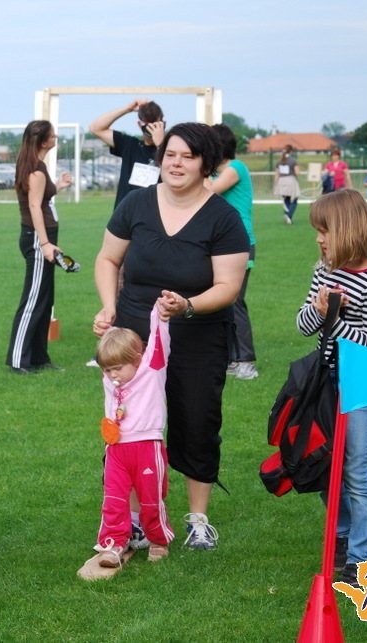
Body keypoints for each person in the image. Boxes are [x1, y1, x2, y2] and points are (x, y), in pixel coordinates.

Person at [93, 122, 250, 550]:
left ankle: (198, 520)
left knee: (197, 422)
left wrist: (187, 305)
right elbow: (108, 259)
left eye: (187, 156)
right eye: (171, 155)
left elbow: (228, 286)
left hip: (198, 334)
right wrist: (109, 306)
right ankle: (132, 521)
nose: (176, 164)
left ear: (206, 164)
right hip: (134, 335)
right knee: (128, 424)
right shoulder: (136, 204)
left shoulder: (223, 218)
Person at [295, 188, 367, 587]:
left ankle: (360, 558)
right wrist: (319, 310)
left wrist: (335, 319)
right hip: (326, 384)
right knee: (323, 464)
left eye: (325, 231)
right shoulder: (325, 270)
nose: (319, 239)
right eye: (317, 231)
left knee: (357, 472)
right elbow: (302, 325)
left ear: (348, 230)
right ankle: (342, 533)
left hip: (364, 387)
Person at [92, 295, 176, 567]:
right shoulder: (110, 380)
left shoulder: (151, 371)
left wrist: (159, 315)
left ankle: (158, 540)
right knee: (113, 499)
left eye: (117, 369)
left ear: (137, 359)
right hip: (116, 449)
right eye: (107, 370)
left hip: (147, 446)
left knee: (151, 499)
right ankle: (113, 543)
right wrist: (105, 326)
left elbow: (159, 341)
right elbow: (109, 349)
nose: (112, 375)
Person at [6, 120, 72, 374]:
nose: (56, 138)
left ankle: (39, 358)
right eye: (53, 135)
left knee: (45, 300)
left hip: (43, 238)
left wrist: (59, 186)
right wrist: (44, 244)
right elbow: (34, 206)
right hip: (37, 239)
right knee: (33, 300)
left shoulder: (36, 166)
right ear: (44, 141)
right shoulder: (35, 169)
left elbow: (41, 198)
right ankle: (18, 360)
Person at [210, 123, 258, 381]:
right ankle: (231, 357)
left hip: (240, 244)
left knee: (234, 301)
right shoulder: (218, 172)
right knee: (222, 303)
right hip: (222, 244)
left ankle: (246, 360)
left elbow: (210, 190)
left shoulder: (235, 168)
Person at [89, 99, 165, 208]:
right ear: (140, 124)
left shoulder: (169, 150)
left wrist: (160, 145)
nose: (152, 129)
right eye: (148, 125)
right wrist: (127, 109)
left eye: (155, 124)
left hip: (153, 212)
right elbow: (95, 128)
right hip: (125, 213)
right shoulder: (130, 145)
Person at [274, 144, 301, 224]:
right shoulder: (293, 161)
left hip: (281, 181)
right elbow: (297, 172)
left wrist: (275, 185)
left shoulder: (279, 161)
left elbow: (277, 174)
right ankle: (289, 215)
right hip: (290, 180)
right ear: (291, 151)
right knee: (294, 199)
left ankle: (287, 215)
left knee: (286, 199)